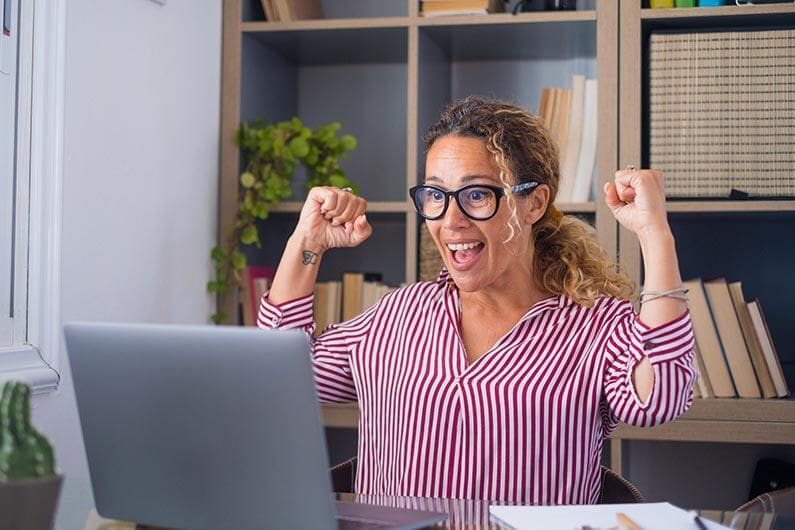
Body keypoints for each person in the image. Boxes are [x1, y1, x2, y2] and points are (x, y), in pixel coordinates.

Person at [258, 96, 696, 505]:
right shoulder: (397, 315)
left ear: (534, 204)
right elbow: (279, 378)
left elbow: (659, 399)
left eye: (477, 194)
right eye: (435, 195)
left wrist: (655, 234)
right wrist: (307, 241)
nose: (451, 221)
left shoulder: (596, 327)